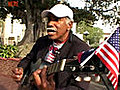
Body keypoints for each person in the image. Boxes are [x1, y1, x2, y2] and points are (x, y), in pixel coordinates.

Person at [12, 4, 90, 90]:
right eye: (49, 19)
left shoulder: (81, 49)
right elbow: (29, 58)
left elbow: (80, 87)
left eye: (56, 20)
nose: (50, 24)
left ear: (69, 25)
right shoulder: (42, 41)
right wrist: (21, 68)